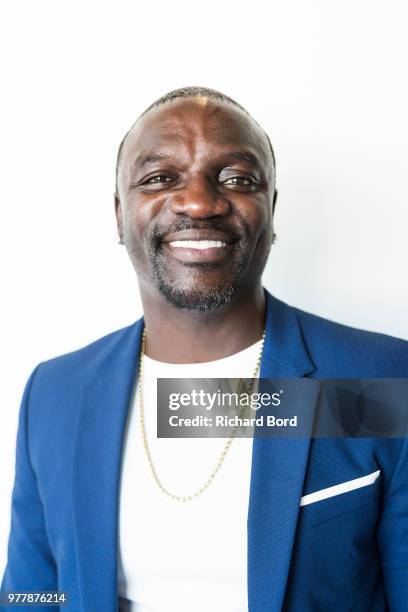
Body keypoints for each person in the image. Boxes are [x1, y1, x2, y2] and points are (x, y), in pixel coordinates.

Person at [1, 86, 408, 612]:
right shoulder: (57, 394)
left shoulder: (378, 381)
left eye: (237, 179)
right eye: (159, 178)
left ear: (271, 209)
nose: (198, 202)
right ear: (119, 212)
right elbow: (32, 595)